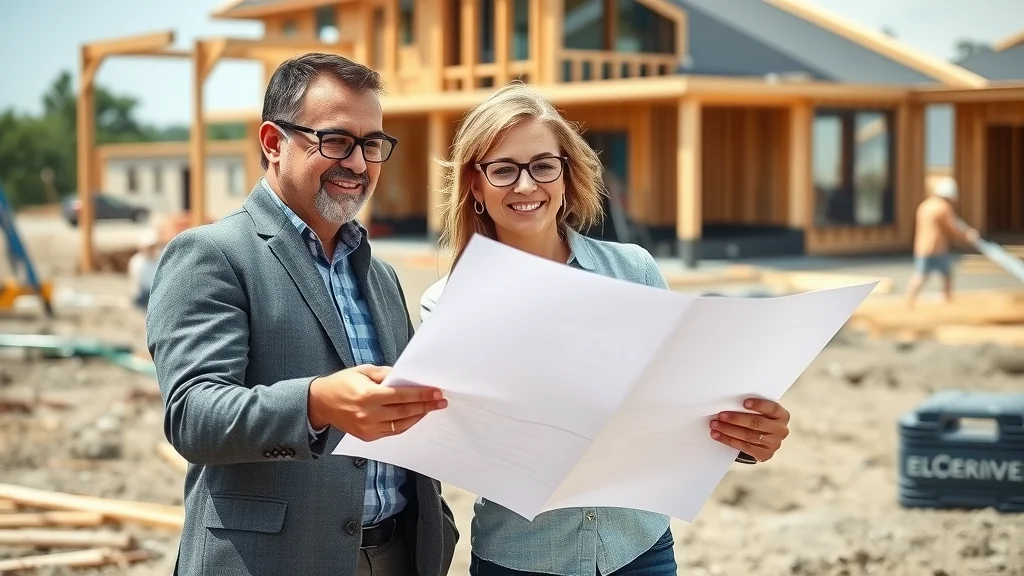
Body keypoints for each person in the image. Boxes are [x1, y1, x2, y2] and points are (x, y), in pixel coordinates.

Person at [419, 82, 792, 576]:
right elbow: (468, 445)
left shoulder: (634, 270)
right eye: (504, 169)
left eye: (543, 166)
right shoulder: (446, 304)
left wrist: (745, 437)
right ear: (475, 184)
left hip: (639, 550)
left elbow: (686, 405)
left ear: (566, 173)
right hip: (523, 558)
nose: (526, 186)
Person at [146, 53, 457, 576]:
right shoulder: (213, 254)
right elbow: (193, 417)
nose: (358, 163)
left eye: (372, 145)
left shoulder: (379, 276)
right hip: (275, 560)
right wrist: (316, 404)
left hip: (398, 555)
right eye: (335, 141)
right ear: (273, 143)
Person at [906, 176, 980, 309]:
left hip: (922, 247)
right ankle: (945, 298)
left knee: (926, 273)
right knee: (933, 274)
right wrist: (967, 236)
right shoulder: (943, 207)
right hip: (936, 248)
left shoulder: (926, 205)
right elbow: (952, 228)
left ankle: (910, 300)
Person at [127, 229, 161, 311]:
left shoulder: (161, 258)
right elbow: (136, 285)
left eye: (152, 247)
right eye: (148, 247)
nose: (150, 250)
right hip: (143, 294)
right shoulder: (137, 262)